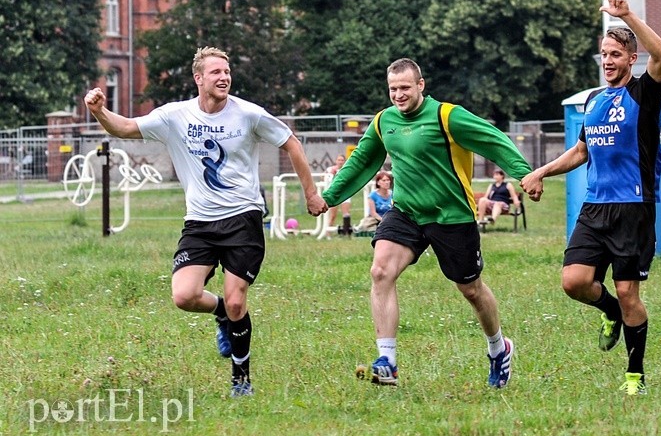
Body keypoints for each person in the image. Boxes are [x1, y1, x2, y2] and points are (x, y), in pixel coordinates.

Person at [83, 46, 327, 397]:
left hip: (243, 217)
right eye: (215, 72)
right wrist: (99, 111)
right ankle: (222, 316)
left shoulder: (248, 114)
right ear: (199, 79)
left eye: (226, 72)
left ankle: (241, 378)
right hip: (199, 221)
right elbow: (124, 128)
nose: (224, 77)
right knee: (184, 295)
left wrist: (310, 194)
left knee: (238, 300)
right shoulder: (174, 116)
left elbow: (291, 142)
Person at [322, 58, 532, 388]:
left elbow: (492, 139)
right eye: (393, 89)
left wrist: (524, 174)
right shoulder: (384, 121)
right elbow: (362, 161)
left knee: (471, 290)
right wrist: (330, 196)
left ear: (421, 85)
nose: (399, 95)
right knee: (380, 271)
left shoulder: (447, 116)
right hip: (406, 211)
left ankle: (499, 348)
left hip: (451, 215)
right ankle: (387, 361)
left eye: (405, 88)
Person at [520, 0, 661, 396]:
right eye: (603, 55)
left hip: (633, 208)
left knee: (628, 293)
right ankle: (608, 313)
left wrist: (626, 16)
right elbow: (582, 150)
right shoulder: (593, 100)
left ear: (630, 58)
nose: (607, 61)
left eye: (615, 54)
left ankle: (634, 375)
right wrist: (541, 172)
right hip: (595, 208)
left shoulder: (644, 92)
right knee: (573, 282)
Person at [326, 154, 352, 233]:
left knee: (346, 214)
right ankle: (328, 233)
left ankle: (346, 232)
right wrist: (332, 174)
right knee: (333, 215)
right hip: (334, 194)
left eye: (342, 160)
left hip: (345, 193)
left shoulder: (348, 169)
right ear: (336, 161)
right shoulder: (330, 169)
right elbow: (325, 179)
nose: (340, 162)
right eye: (339, 160)